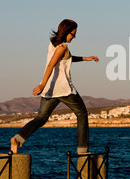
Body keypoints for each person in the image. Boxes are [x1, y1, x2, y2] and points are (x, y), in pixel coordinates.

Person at [10, 19, 99, 155]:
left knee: (41, 118)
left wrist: (86, 58)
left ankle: (17, 139)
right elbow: (51, 64)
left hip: (50, 91)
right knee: (82, 114)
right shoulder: (63, 47)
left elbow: (66, 58)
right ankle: (82, 149)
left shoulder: (53, 44)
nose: (74, 37)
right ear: (65, 32)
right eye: (72, 34)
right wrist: (42, 84)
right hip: (63, 89)